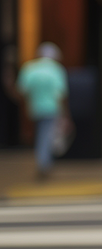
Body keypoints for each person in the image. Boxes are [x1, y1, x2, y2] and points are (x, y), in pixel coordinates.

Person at [15, 42, 69, 179]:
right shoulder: (56, 69)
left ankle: (44, 162)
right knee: (45, 136)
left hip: (34, 108)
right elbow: (60, 94)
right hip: (51, 108)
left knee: (41, 135)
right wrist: (65, 113)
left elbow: (21, 91)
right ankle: (44, 164)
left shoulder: (29, 68)